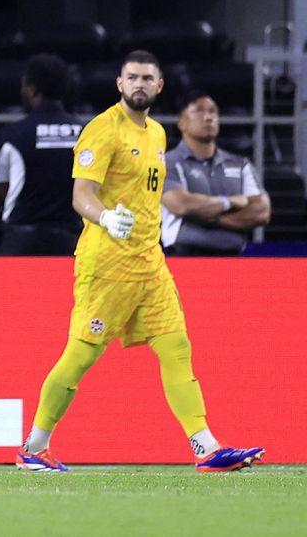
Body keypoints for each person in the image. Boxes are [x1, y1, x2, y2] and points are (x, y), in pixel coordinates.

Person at [15, 50, 264, 473]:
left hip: (150, 264)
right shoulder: (101, 130)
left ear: (159, 86)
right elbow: (82, 197)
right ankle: (34, 446)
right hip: (107, 263)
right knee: (81, 354)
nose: (139, 84)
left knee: (176, 347)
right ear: (119, 83)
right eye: (132, 77)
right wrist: (106, 216)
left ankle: (206, 448)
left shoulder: (157, 135)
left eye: (147, 78)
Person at [0, 54, 83, 255]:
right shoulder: (88, 133)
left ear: (30, 88)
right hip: (75, 244)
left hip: (22, 245)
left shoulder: (11, 135)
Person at [161, 91, 271, 255]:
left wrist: (211, 218)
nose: (208, 117)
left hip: (231, 262)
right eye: (198, 111)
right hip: (183, 258)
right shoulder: (166, 162)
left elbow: (262, 211)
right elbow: (181, 205)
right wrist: (230, 202)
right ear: (181, 123)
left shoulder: (240, 164)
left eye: (213, 111)